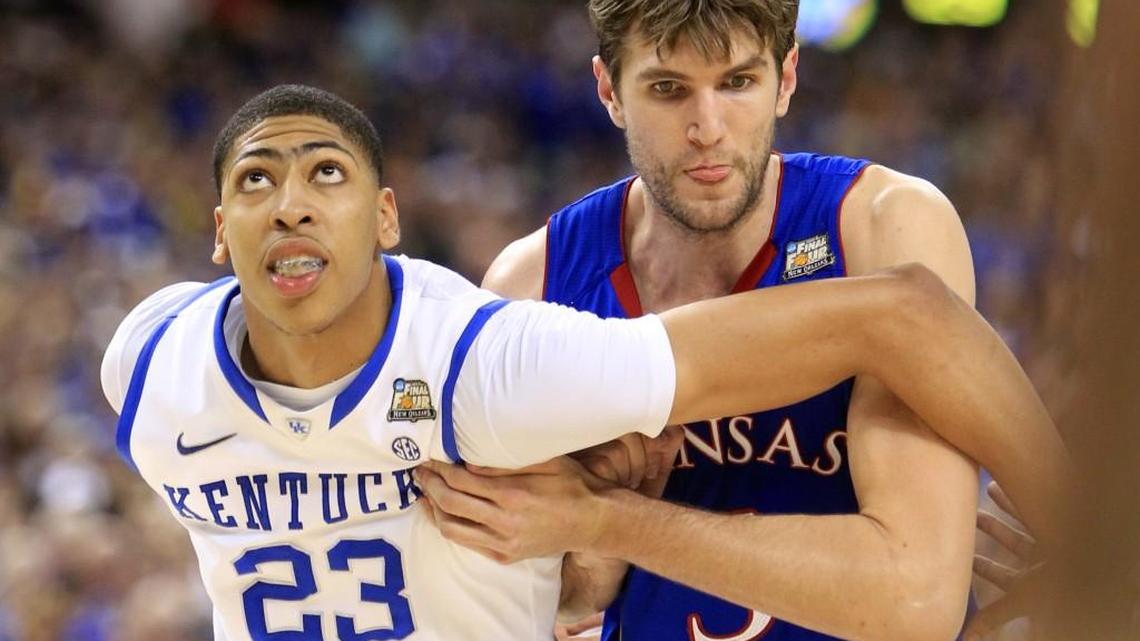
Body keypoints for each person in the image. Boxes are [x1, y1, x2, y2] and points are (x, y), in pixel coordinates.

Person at [101, 83, 1064, 641]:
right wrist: (584, 576)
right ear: (218, 231)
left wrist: (1097, 537)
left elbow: (905, 314)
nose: (291, 205)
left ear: (387, 219)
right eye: (257, 181)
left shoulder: (493, 367)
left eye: (326, 174)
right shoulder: (147, 365)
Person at [412, 2, 1068, 641]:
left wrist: (610, 518)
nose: (708, 127)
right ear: (609, 90)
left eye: (737, 83)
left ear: (786, 79)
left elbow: (914, 599)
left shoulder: (881, 225)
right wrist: (591, 561)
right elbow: (550, 597)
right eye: (669, 89)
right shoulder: (532, 284)